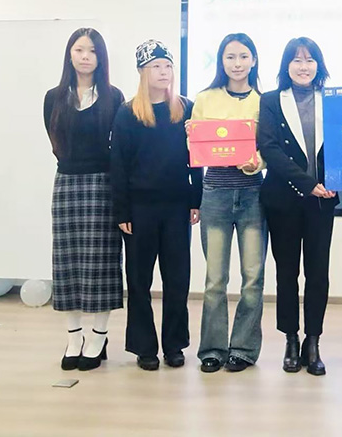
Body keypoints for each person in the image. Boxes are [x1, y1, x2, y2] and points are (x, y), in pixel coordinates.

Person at [110, 39, 203, 371]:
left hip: (177, 207)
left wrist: (196, 200)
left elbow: (196, 159)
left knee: (177, 279)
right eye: (156, 67)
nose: (163, 72)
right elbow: (118, 165)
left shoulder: (186, 108)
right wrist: (122, 211)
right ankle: (144, 347)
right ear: (142, 72)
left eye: (168, 66)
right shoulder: (127, 113)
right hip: (139, 210)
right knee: (138, 281)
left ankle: (174, 345)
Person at [43, 28, 125, 371]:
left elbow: (117, 145)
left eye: (92, 50)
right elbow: (55, 141)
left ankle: (99, 336)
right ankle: (74, 336)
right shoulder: (53, 97)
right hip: (66, 183)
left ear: (101, 57)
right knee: (69, 264)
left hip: (103, 184)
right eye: (79, 49)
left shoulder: (113, 96)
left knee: (101, 263)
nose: (86, 56)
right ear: (70, 54)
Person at [257, 37, 338, 376]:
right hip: (283, 200)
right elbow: (269, 149)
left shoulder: (333, 100)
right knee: (287, 273)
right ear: (286, 66)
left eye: (310, 60)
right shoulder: (270, 100)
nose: (304, 66)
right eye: (297, 60)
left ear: (319, 65)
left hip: (324, 201)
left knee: (318, 273)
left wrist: (337, 179)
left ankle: (313, 341)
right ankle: (291, 340)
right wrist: (307, 183)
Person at [191, 33, 266, 374]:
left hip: (252, 194)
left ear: (254, 60)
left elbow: (268, 147)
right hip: (216, 194)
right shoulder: (204, 98)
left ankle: (244, 349)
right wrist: (192, 136)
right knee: (215, 280)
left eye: (243, 56)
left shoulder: (264, 101)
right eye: (230, 57)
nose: (237, 63)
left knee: (252, 278)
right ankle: (212, 349)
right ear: (221, 61)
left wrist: (257, 163)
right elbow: (195, 147)